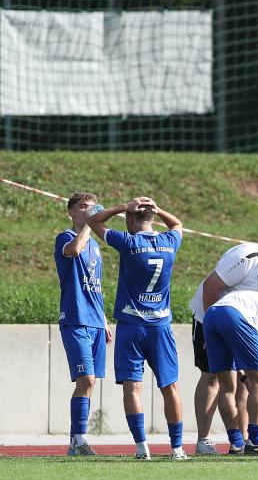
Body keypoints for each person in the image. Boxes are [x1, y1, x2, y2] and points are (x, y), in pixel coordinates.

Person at [88, 197, 188, 460]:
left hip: (131, 326)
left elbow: (94, 221)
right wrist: (158, 209)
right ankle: (177, 448)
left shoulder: (128, 242)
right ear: (152, 218)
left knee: (132, 388)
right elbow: (177, 224)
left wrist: (122, 207)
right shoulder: (169, 241)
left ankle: (142, 448)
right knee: (170, 387)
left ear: (131, 220)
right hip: (160, 327)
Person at [196, 242, 258, 456]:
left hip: (212, 315)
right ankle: (255, 441)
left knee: (227, 385)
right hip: (233, 315)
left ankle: (237, 442)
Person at [54, 191, 112, 456]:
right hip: (75, 318)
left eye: (92, 206)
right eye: (83, 206)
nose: (89, 210)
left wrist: (104, 319)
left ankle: (78, 441)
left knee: (90, 382)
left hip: (95, 320)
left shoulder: (96, 246)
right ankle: (77, 440)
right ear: (71, 211)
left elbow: (96, 287)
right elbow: (74, 250)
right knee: (85, 378)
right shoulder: (65, 237)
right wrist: (91, 222)